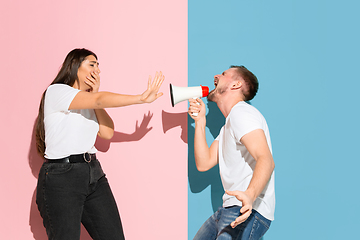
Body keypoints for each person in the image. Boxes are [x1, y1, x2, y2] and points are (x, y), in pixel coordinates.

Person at [35, 48, 164, 240]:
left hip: (93, 173)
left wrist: (95, 96)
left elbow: (107, 132)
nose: (97, 70)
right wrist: (140, 99)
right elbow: (97, 100)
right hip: (62, 177)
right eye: (92, 64)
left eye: (98, 66)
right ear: (74, 66)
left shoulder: (90, 102)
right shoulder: (57, 91)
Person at [188, 66, 275, 240]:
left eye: (224, 74)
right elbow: (204, 163)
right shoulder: (228, 126)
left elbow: (266, 159)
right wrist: (200, 121)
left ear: (236, 84)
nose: (216, 76)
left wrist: (249, 196)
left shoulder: (241, 113)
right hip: (227, 209)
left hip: (245, 209)